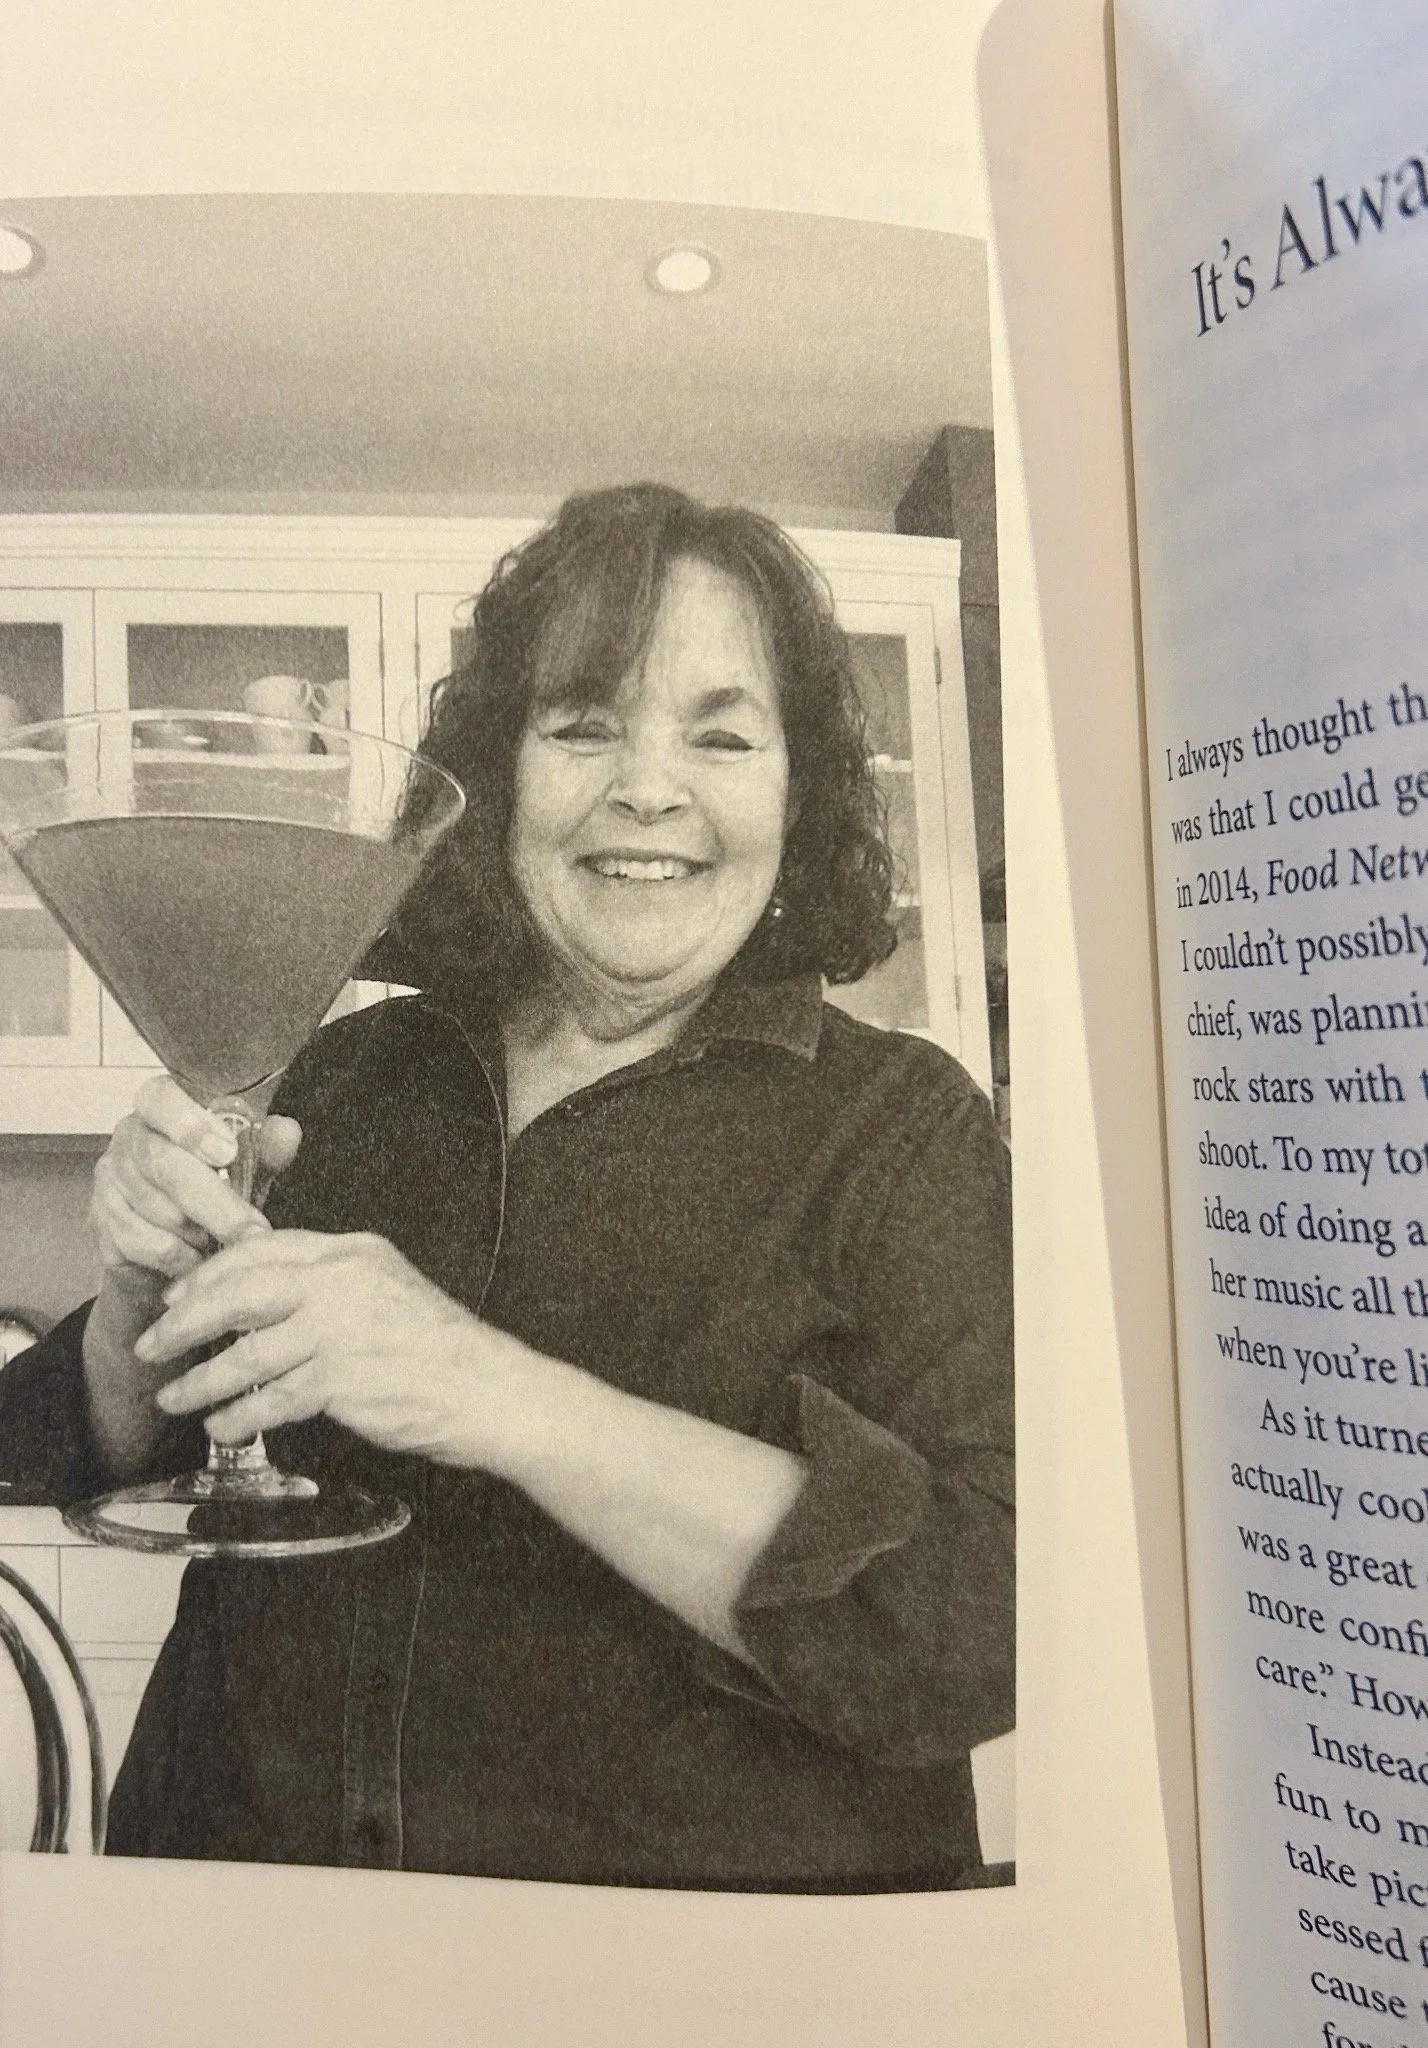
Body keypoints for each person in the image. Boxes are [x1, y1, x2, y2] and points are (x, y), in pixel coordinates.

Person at [0, 483, 1013, 1891]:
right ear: (502, 771)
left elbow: (981, 1624)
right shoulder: (339, 1073)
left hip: (705, 1971)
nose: (646, 787)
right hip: (237, 1907)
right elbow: (107, 1444)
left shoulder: (905, 1128)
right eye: (582, 725)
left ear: (801, 794)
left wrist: (493, 1391)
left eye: (721, 735)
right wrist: (132, 1312)